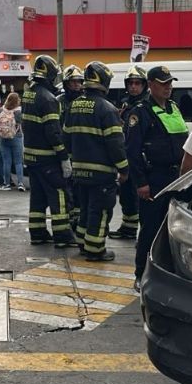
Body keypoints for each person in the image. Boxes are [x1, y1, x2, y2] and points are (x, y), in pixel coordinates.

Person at [125, 65, 189, 289]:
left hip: (176, 177)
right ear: (150, 85)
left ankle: (168, 273)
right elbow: (132, 151)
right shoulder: (140, 112)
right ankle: (141, 274)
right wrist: (141, 182)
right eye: (163, 83)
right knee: (150, 228)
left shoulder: (173, 107)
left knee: (174, 228)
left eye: (170, 82)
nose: (168, 87)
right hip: (154, 178)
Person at [63, 62, 129, 261]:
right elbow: (116, 144)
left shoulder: (74, 105)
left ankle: (83, 243)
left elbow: (66, 138)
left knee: (85, 209)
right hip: (101, 173)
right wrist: (124, 169)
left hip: (79, 171)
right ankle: (95, 249)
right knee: (100, 211)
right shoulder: (107, 109)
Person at [22, 55, 77, 248]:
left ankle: (37, 233)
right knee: (59, 194)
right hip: (47, 158)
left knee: (37, 196)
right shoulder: (48, 99)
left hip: (31, 156)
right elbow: (53, 131)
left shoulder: (29, 93)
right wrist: (63, 157)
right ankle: (63, 235)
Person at [108, 66, 148, 240]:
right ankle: (128, 227)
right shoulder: (126, 103)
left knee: (135, 195)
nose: (133, 86)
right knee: (126, 195)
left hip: (140, 158)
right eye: (130, 83)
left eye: (137, 83)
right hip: (126, 155)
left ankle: (136, 230)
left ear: (144, 85)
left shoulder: (146, 105)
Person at [58, 65, 85, 231]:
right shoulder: (59, 101)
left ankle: (79, 218)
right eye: (73, 82)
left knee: (80, 187)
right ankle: (69, 217)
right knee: (66, 187)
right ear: (66, 83)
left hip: (81, 151)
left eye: (79, 82)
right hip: (63, 150)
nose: (76, 85)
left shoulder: (85, 100)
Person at [0, 92, 26, 191]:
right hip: (16, 137)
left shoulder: (1, 110)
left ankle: (7, 184)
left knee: (6, 161)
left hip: (3, 138)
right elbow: (22, 123)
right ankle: (20, 183)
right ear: (16, 101)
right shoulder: (18, 111)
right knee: (18, 162)